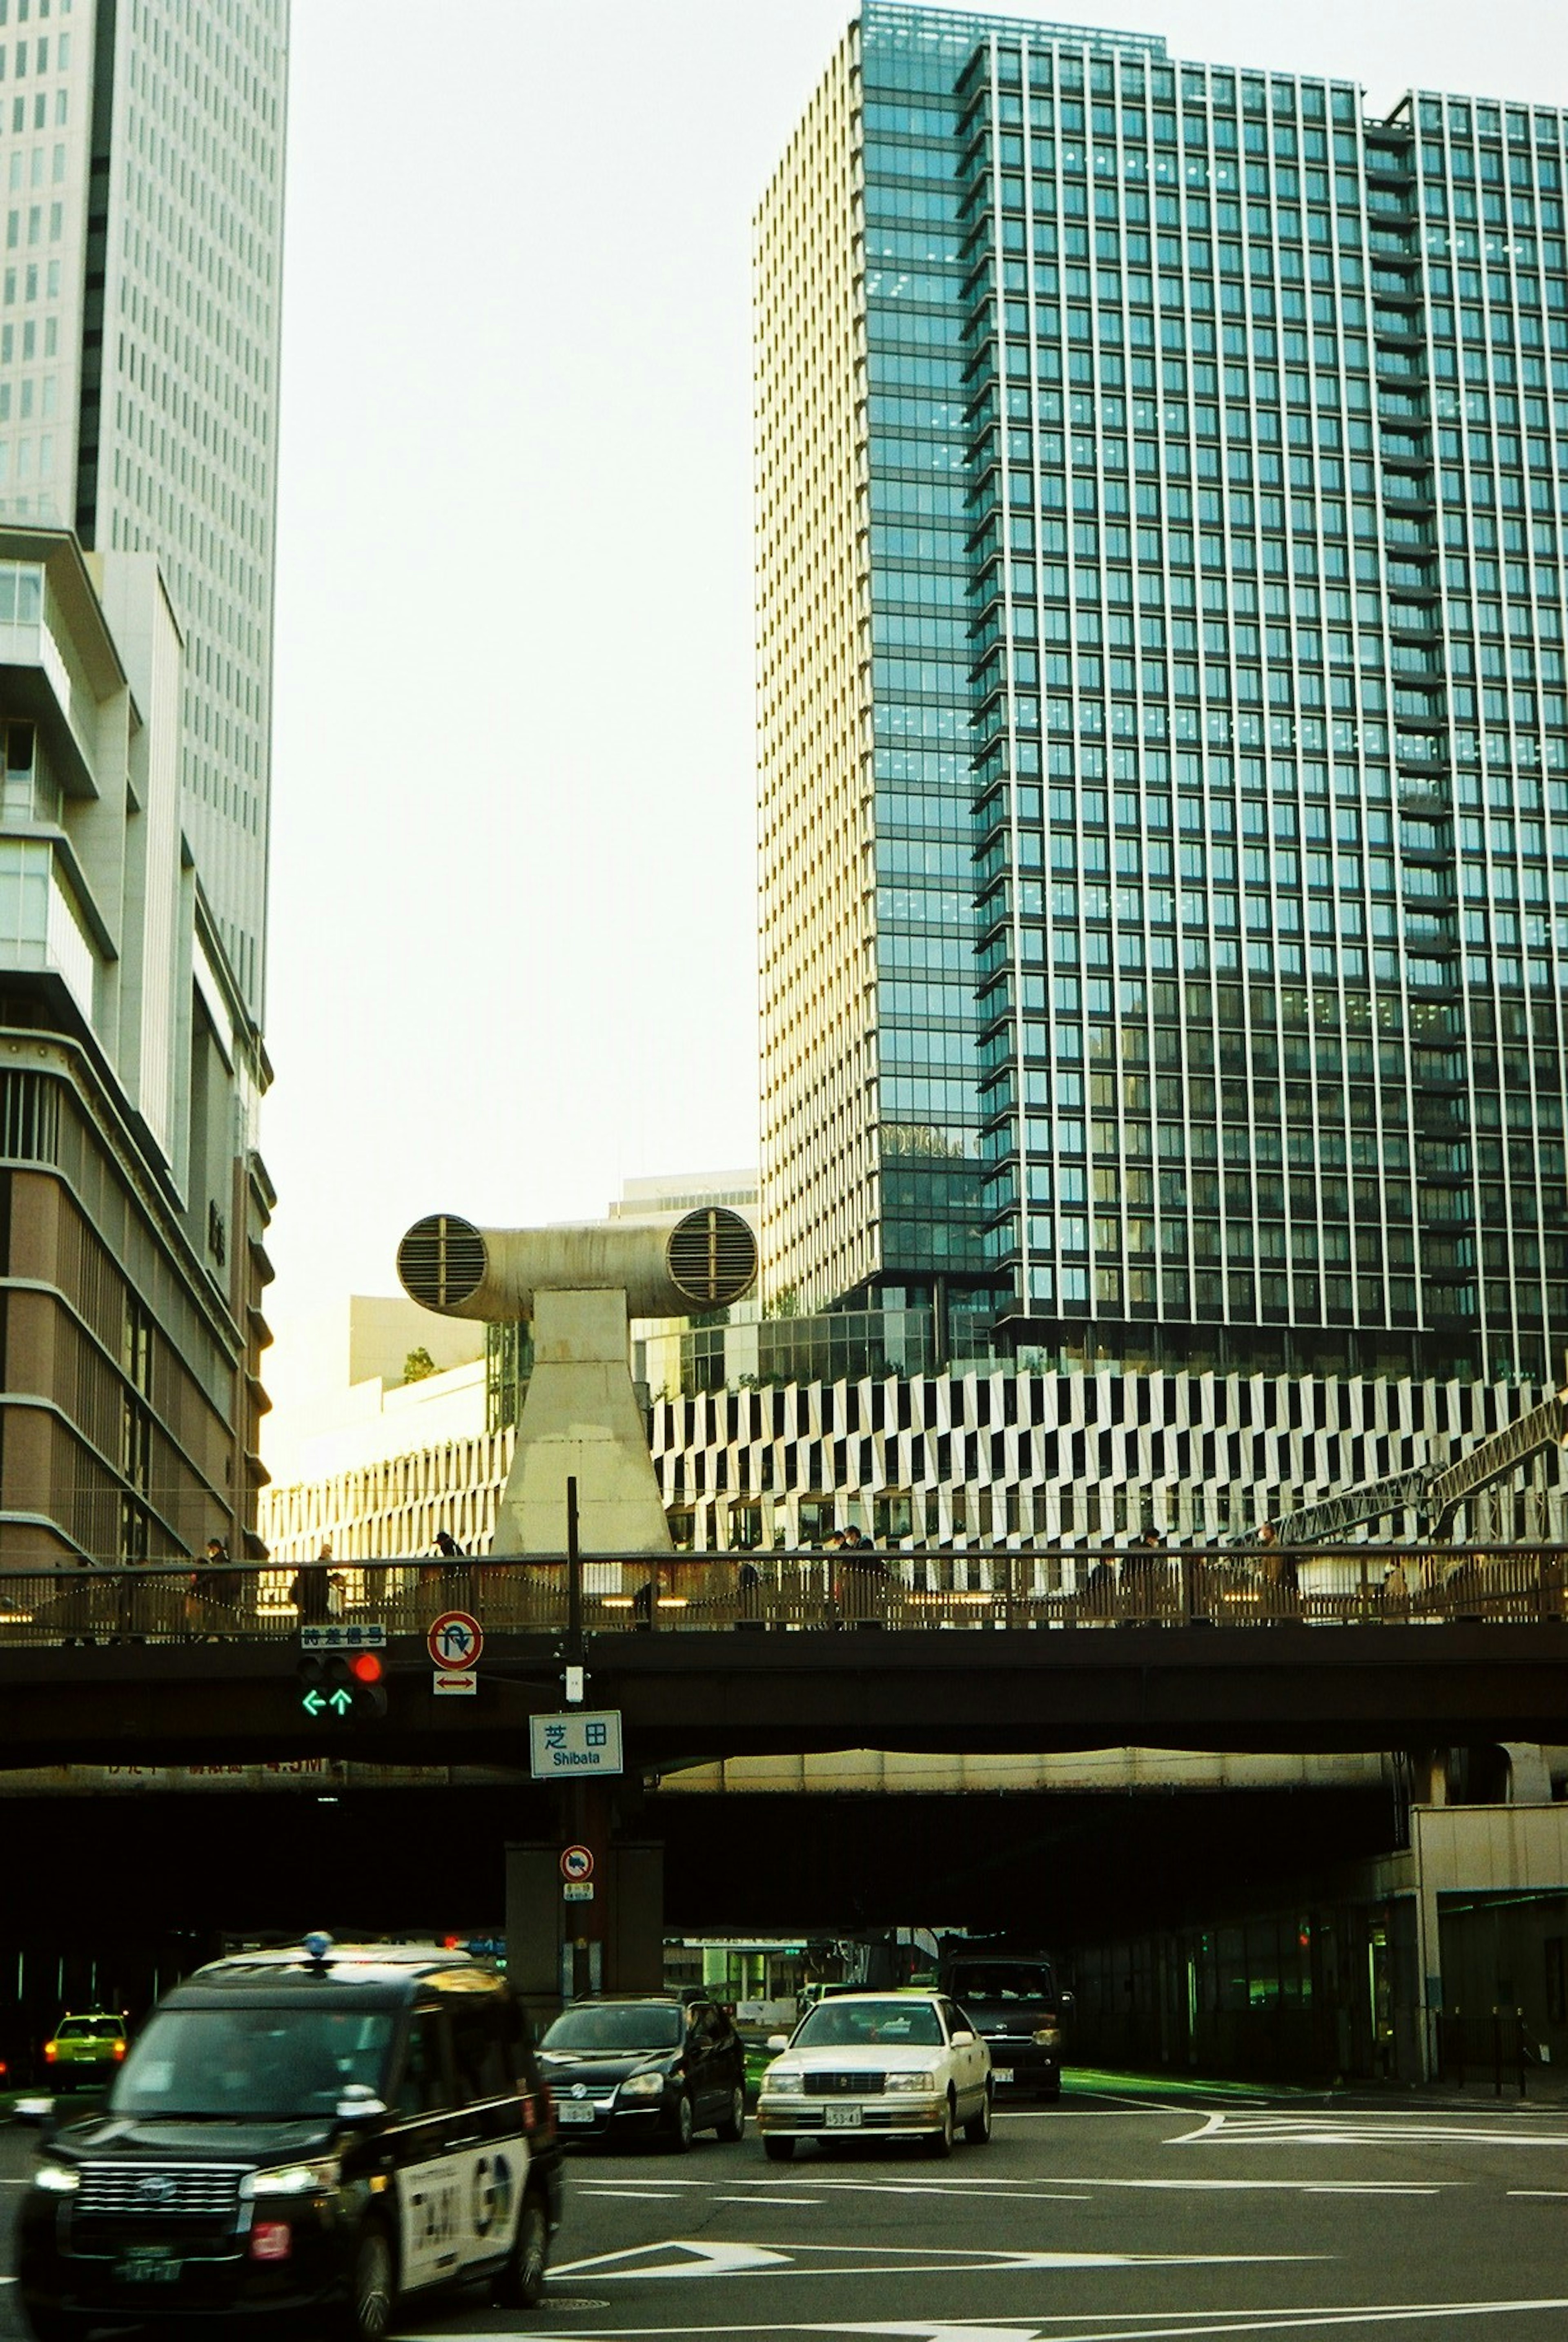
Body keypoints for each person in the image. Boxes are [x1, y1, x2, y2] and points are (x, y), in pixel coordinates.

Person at [290, 1540, 337, 1627]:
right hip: (316, 1607)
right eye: (330, 1553)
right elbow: (319, 1590)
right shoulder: (320, 1569)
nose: (331, 1556)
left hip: (309, 1606)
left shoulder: (315, 1569)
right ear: (326, 1553)